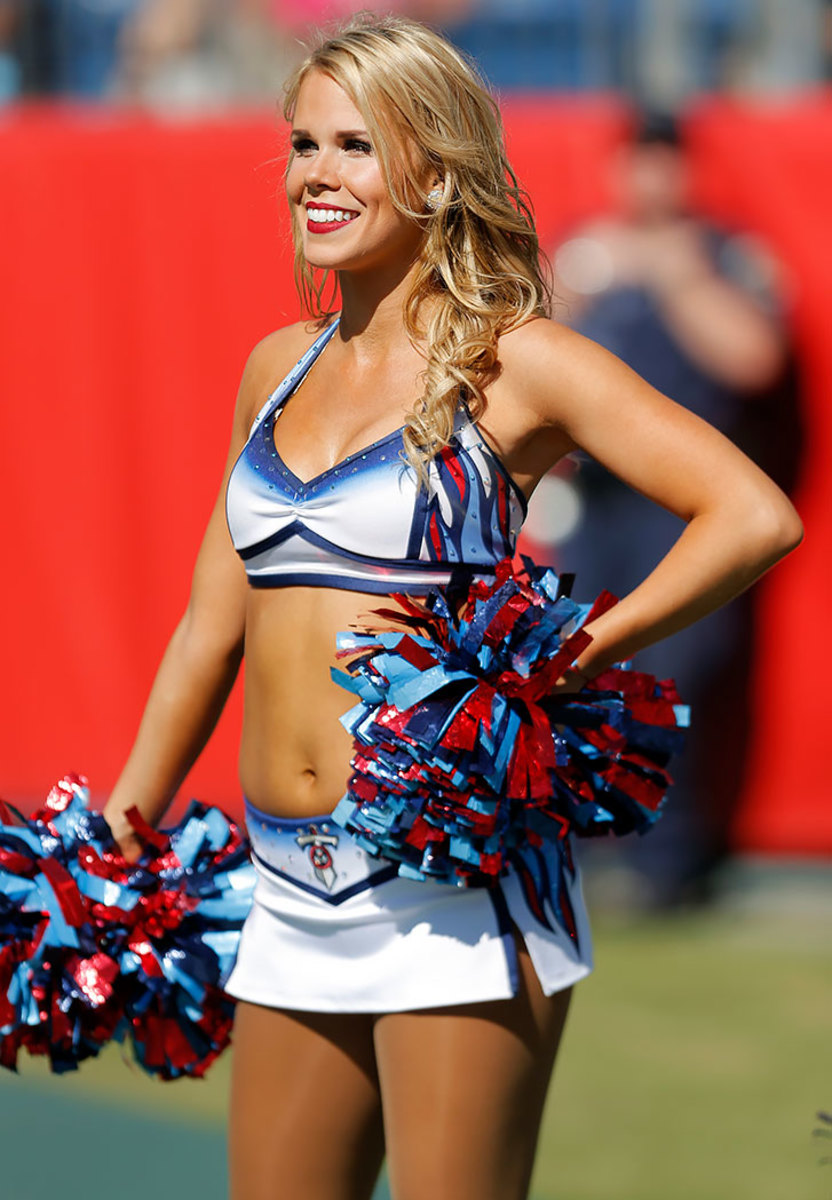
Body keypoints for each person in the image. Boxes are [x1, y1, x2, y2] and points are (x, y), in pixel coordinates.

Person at [99, 15, 802, 1200]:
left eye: (357, 146)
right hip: (287, 889)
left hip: (451, 890)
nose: (317, 174)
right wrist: (125, 824)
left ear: (435, 168)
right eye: (302, 144)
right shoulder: (277, 367)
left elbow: (749, 512)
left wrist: (579, 652)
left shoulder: (515, 363)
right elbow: (211, 619)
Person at [551, 110, 800, 908]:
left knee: (677, 673)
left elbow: (755, 358)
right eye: (638, 161)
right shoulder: (583, 250)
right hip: (594, 498)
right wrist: (582, 283)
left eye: (665, 162)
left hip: (685, 505)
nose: (650, 180)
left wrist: (679, 275)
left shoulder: (723, 256)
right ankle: (579, 852)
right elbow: (525, 355)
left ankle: (667, 866)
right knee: (573, 664)